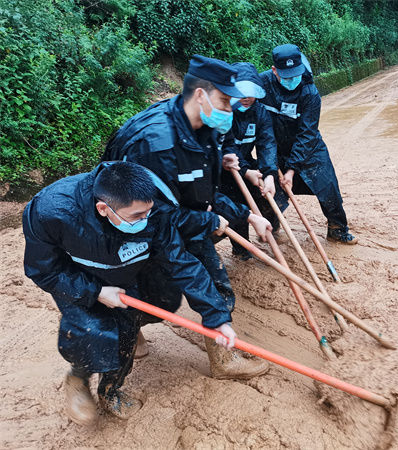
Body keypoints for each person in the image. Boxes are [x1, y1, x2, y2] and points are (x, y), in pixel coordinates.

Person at [22, 161, 269, 426]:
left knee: (132, 324)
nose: (145, 220)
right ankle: (79, 377)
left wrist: (218, 319)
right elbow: (43, 270)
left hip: (127, 270)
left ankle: (109, 391)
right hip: (80, 275)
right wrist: (95, 291)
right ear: (103, 209)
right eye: (136, 216)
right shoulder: (51, 211)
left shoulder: (153, 210)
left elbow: (181, 263)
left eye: (147, 213)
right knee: (93, 330)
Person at [102, 55, 273, 353]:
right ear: (200, 95)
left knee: (213, 280)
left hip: (175, 213)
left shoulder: (205, 128)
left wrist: (247, 217)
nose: (229, 110)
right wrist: (210, 222)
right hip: (135, 222)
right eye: (224, 101)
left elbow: (203, 194)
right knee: (156, 292)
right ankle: (127, 329)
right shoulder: (154, 144)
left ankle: (222, 357)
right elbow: (160, 219)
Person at [259, 44, 358, 244]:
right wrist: (275, 168)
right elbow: (262, 130)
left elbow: (307, 133)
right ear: (274, 70)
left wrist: (292, 169)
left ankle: (337, 229)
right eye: (286, 76)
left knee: (328, 186)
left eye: (295, 74)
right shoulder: (261, 85)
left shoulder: (310, 92)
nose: (292, 81)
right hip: (276, 148)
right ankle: (271, 227)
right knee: (269, 191)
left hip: (309, 147)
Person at [220, 62, 287, 260]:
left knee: (272, 192)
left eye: (251, 92)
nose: (246, 97)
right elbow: (226, 146)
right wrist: (245, 172)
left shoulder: (260, 112)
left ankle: (271, 225)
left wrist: (269, 175)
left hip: (248, 164)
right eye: (241, 92)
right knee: (236, 202)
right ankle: (241, 250)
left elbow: (267, 143)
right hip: (224, 168)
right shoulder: (223, 112)